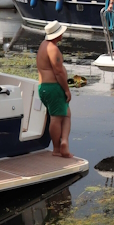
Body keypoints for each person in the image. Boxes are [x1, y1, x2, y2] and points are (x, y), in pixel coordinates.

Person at [37, 20, 73, 158]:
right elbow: (58, 72)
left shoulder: (43, 45)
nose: (63, 34)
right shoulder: (53, 49)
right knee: (56, 117)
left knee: (66, 114)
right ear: (57, 35)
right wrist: (66, 90)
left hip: (43, 87)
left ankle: (64, 141)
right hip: (53, 87)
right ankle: (57, 148)